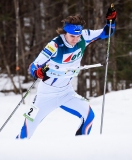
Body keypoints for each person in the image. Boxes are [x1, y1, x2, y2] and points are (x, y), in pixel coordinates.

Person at [16, 4, 117, 139]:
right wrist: (37, 72)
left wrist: (111, 22)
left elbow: (106, 32)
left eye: (78, 36)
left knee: (89, 116)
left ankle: (80, 148)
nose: (76, 39)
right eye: (72, 36)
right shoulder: (55, 45)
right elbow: (34, 65)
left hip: (66, 92)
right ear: (65, 33)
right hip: (45, 95)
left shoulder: (84, 36)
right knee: (26, 132)